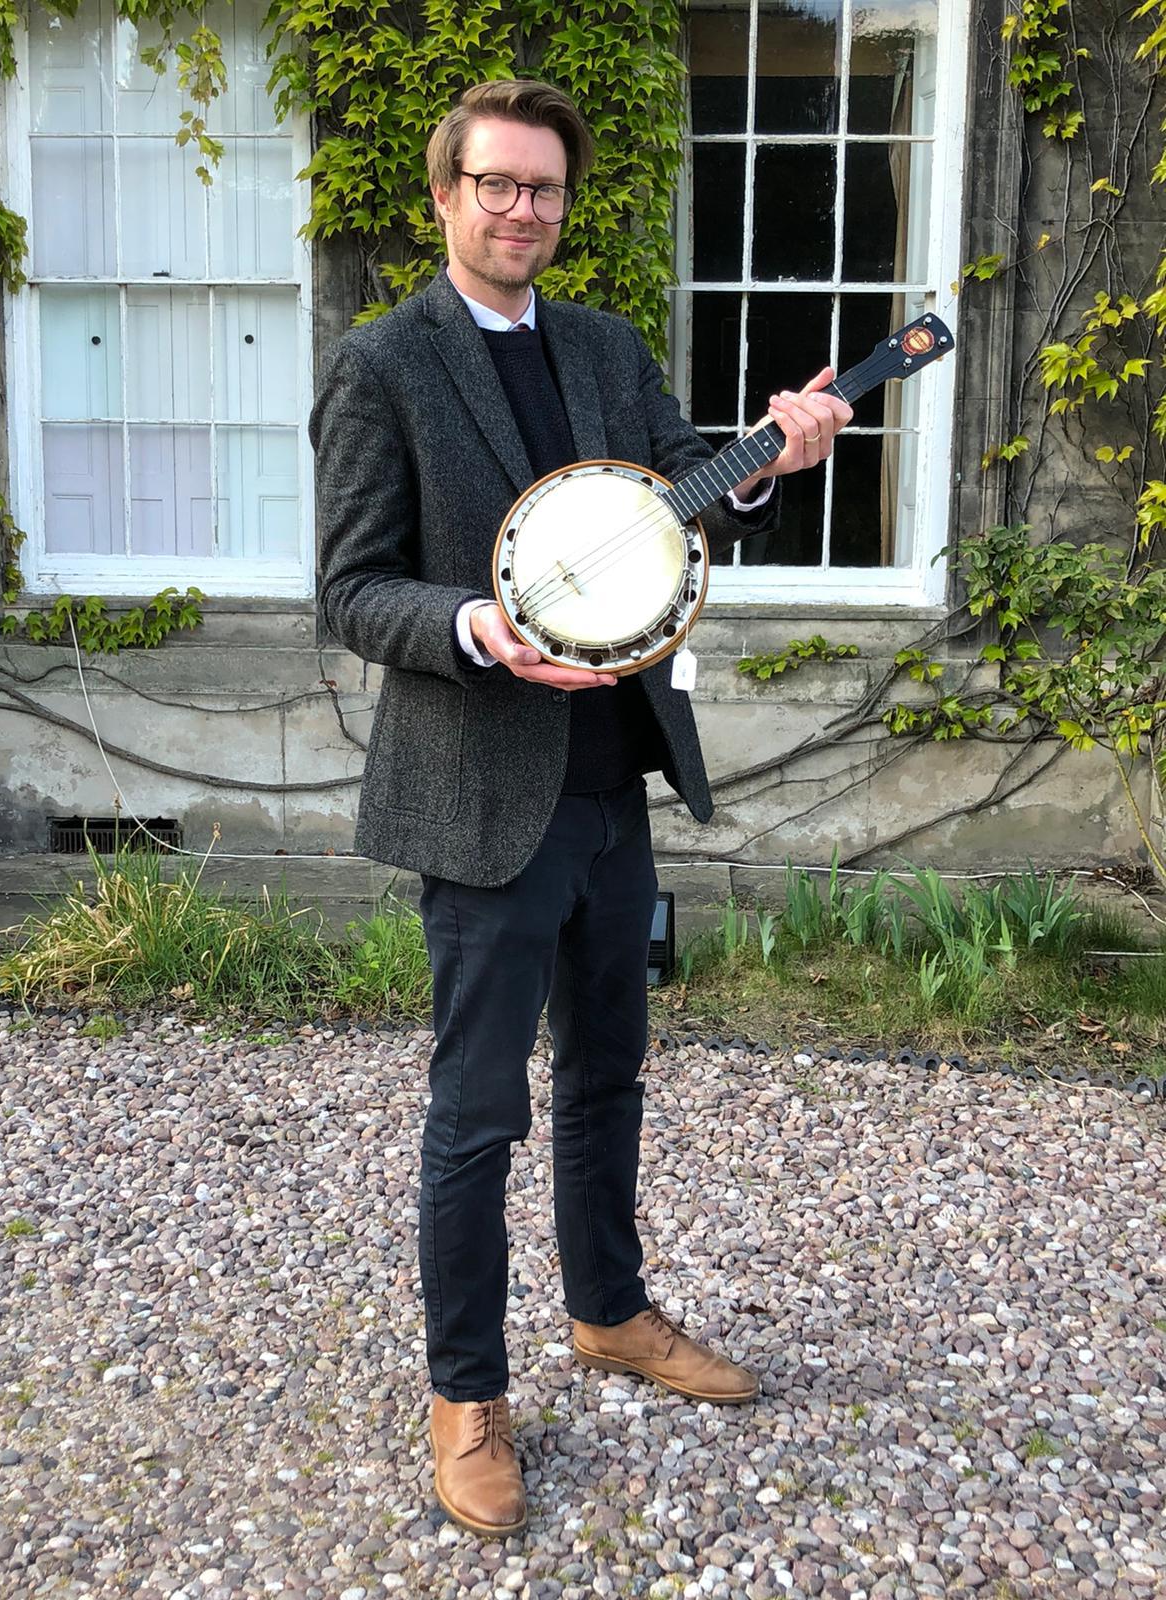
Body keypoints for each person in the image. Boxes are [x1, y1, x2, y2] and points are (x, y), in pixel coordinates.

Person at [310, 78, 852, 1537]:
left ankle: (608, 1310)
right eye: (496, 185)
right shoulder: (386, 366)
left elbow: (687, 487)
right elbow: (353, 589)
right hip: (483, 794)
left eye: (544, 189)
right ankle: (466, 1395)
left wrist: (774, 456)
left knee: (610, 1076)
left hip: (616, 780)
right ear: (446, 193)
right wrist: (480, 629)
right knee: (477, 1113)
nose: (522, 211)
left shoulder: (606, 349)